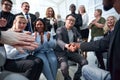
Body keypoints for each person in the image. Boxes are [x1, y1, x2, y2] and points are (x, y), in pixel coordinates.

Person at [69, 0, 120, 79]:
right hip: (94, 38)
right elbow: (100, 42)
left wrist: (94, 23)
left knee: (85, 69)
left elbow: (102, 39)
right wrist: (79, 45)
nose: (102, 2)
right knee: (97, 52)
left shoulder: (104, 20)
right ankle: (102, 66)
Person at [4, 15, 43, 80]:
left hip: (24, 57)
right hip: (12, 61)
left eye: (24, 23)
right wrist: (21, 44)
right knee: (32, 64)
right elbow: (9, 55)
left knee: (40, 61)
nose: (22, 25)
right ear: (14, 22)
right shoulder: (8, 34)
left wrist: (32, 42)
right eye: (19, 22)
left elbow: (29, 51)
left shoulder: (25, 33)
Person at [55, 14, 88, 80]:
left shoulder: (74, 29)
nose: (71, 22)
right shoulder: (60, 29)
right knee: (64, 68)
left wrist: (78, 42)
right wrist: (67, 46)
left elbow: (79, 37)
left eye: (73, 21)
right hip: (62, 52)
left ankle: (76, 77)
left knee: (84, 62)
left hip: (72, 51)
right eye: (70, 20)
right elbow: (59, 40)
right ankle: (67, 78)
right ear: (65, 20)